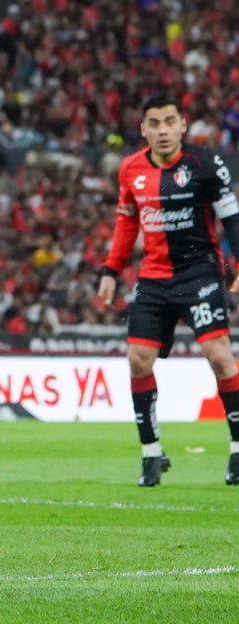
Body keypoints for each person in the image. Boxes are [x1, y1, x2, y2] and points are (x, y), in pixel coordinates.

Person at [97, 92, 239, 488]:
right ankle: (152, 454)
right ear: (143, 129)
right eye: (155, 123)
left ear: (182, 125)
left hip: (200, 273)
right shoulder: (131, 169)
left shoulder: (205, 163)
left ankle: (238, 448)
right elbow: (127, 223)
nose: (163, 130)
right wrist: (111, 269)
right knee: (138, 359)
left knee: (219, 356)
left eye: (170, 122)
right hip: (155, 277)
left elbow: (232, 219)